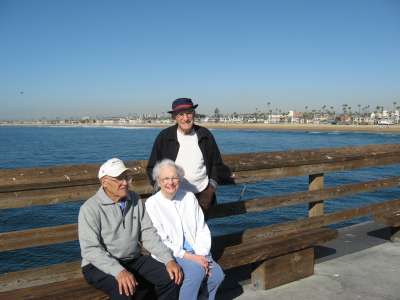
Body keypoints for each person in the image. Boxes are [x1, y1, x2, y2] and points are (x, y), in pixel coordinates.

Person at [78, 158, 182, 300]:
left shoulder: (134, 199)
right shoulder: (90, 208)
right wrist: (119, 271)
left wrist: (168, 259)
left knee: (171, 278)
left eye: (126, 177)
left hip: (132, 259)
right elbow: (91, 249)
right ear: (104, 182)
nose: (125, 183)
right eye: (119, 179)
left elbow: (148, 233)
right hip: (98, 265)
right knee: (125, 292)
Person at [145, 159, 225, 300]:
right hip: (173, 252)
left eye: (175, 178)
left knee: (217, 276)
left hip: (196, 250)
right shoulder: (152, 204)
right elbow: (161, 240)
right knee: (195, 273)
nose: (170, 182)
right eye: (166, 179)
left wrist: (202, 255)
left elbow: (201, 228)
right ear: (158, 180)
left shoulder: (188, 197)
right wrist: (191, 257)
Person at [147, 98, 226, 215]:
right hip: (173, 196)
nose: (185, 118)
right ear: (174, 117)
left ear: (194, 114)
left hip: (201, 195)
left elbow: (216, 164)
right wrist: (161, 191)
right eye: (181, 114)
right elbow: (152, 167)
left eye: (189, 113)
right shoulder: (164, 136)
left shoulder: (205, 134)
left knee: (199, 231)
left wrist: (210, 190)